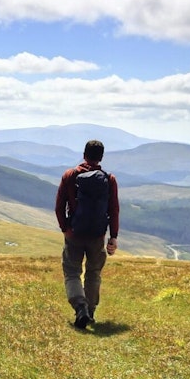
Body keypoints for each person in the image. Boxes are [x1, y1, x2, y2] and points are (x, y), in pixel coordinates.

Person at [55, 139, 119, 329]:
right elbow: (113, 209)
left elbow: (59, 207)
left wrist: (65, 228)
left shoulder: (70, 175)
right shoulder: (109, 179)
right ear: (101, 157)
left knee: (72, 272)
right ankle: (90, 311)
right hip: (97, 236)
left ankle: (80, 306)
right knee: (93, 273)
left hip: (74, 234)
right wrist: (113, 236)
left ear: (84, 154)